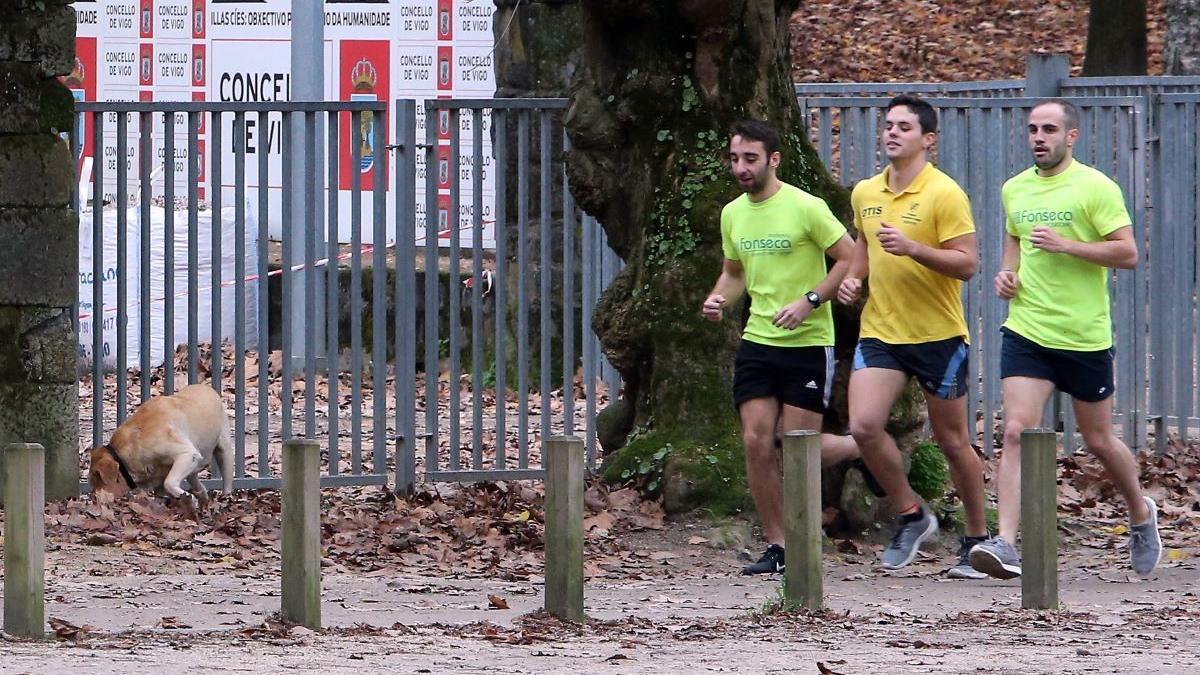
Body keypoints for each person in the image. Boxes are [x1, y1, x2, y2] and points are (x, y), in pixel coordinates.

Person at [969, 99, 1162, 579]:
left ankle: (1140, 513)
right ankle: (1006, 543)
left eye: (1049, 129)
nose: (1039, 137)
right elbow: (1013, 239)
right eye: (1033, 129)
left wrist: (1068, 245)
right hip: (1027, 328)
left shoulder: (1095, 187)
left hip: (1084, 334)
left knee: (1098, 439)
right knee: (1014, 430)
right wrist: (1006, 275)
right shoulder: (1015, 188)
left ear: (1070, 137)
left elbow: (1128, 253)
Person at [836, 95, 990, 579]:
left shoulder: (945, 194)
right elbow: (863, 244)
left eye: (904, 126)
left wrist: (915, 249)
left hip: (938, 335)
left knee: (952, 441)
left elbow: (967, 264)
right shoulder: (866, 192)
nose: (892, 132)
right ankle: (910, 513)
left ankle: (978, 539)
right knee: (863, 426)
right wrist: (855, 277)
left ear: (928, 139)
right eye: (888, 125)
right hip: (882, 330)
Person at [702, 119, 859, 575]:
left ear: (773, 160)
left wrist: (810, 301)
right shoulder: (733, 213)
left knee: (797, 445)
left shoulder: (806, 207)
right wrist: (718, 300)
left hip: (809, 341)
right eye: (734, 159)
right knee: (755, 440)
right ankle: (778, 544)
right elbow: (734, 273)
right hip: (758, 340)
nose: (741, 168)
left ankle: (857, 449)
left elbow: (849, 258)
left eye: (750, 159)